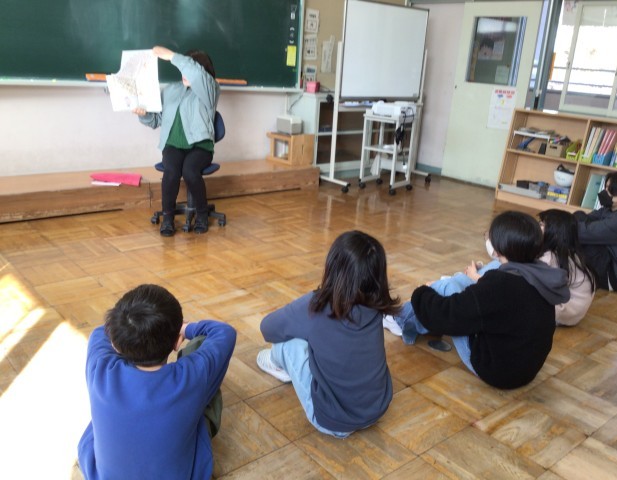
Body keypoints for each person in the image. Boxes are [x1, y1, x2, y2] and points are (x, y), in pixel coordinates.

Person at [394, 211, 569, 389]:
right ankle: (414, 315)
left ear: (498, 248)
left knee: (447, 287)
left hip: (498, 372)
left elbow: (449, 316)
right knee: (473, 279)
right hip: (527, 369)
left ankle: (399, 319)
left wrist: (423, 292)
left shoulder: (500, 286)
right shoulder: (541, 274)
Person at [77, 284, 236, 480]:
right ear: (177, 342)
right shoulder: (192, 377)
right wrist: (185, 328)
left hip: (101, 476)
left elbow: (99, 332)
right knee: (201, 357)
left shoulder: (100, 368)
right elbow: (224, 332)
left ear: (115, 344)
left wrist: (127, 328)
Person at [257, 230, 401, 437]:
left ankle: (274, 363)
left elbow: (267, 328)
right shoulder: (377, 307)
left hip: (334, 422)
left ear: (333, 267)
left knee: (286, 344)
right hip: (377, 410)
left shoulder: (316, 305)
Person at [135, 46, 220, 236]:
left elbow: (197, 75)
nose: (184, 73)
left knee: (190, 171)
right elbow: (155, 120)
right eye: (182, 69)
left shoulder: (210, 89)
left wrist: (172, 56)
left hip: (200, 146)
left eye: (187, 69)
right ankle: (168, 219)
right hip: (173, 145)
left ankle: (202, 214)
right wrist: (143, 114)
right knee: (171, 172)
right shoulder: (170, 90)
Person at [574, 171, 617, 291]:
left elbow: (584, 232)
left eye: (610, 190)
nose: (605, 192)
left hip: (616, 275)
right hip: (610, 256)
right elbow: (586, 219)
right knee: (578, 216)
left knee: (576, 235)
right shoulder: (612, 208)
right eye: (606, 187)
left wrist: (555, 225)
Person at [538, 209, 596, 326]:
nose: (537, 228)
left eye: (542, 225)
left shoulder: (551, 257)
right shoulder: (569, 254)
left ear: (555, 233)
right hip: (574, 313)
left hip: (563, 312)